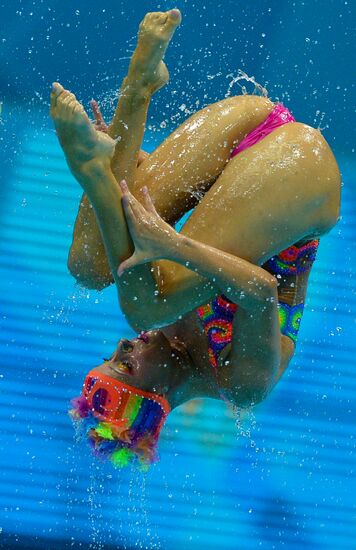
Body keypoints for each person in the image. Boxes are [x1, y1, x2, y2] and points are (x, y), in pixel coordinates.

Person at [50, 9, 340, 468]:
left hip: (243, 126)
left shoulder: (158, 316)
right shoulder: (241, 384)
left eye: (112, 356)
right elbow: (261, 291)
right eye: (125, 365)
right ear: (159, 396)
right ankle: (95, 174)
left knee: (89, 266)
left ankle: (137, 93)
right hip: (301, 168)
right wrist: (172, 245)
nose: (123, 347)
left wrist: (135, 170)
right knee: (144, 300)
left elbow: (211, 207)